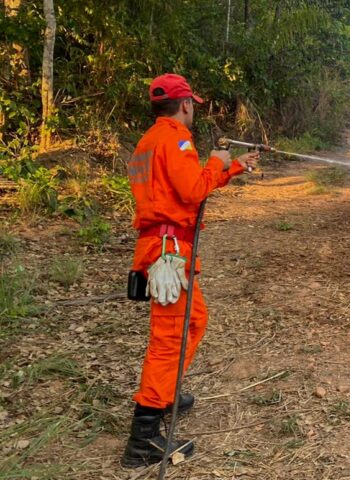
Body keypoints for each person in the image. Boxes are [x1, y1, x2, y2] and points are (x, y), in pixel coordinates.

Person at [121, 73, 258, 468]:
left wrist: (231, 170)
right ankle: (144, 436)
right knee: (169, 338)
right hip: (169, 251)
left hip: (161, 247)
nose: (194, 108)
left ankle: (166, 392)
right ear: (184, 104)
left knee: (194, 320)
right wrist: (217, 162)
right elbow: (193, 191)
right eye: (193, 103)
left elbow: (180, 188)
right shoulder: (177, 139)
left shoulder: (148, 142)